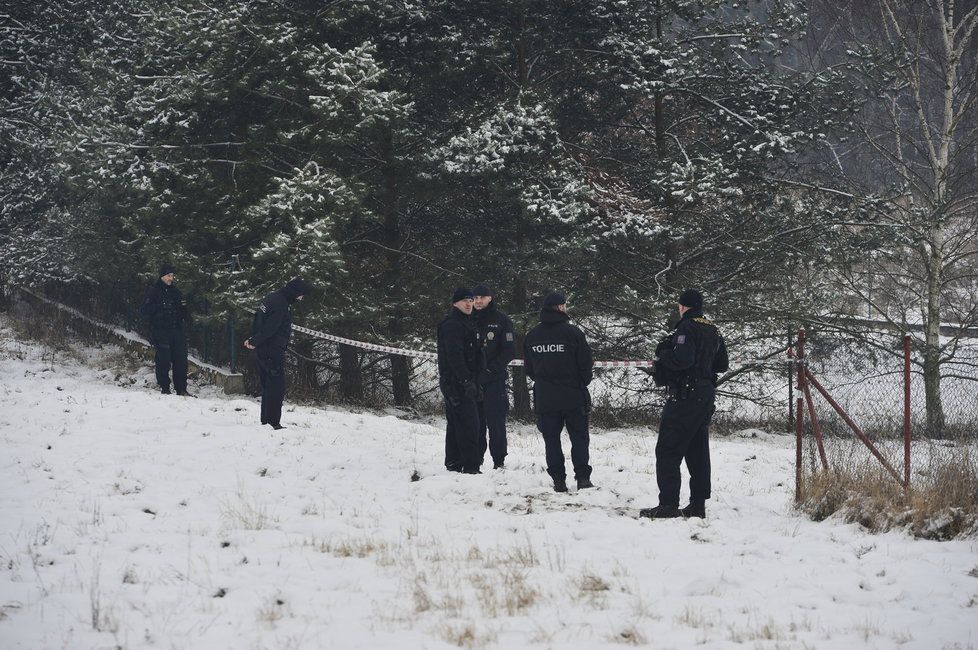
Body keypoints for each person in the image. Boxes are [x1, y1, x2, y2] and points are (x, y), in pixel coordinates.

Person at [640, 289, 729, 520]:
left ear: (683, 306)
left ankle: (668, 504)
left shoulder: (686, 327)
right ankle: (697, 505)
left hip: (685, 395)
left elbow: (683, 359)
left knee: (668, 449)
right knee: (697, 450)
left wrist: (664, 355)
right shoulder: (713, 328)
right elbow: (722, 364)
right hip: (705, 394)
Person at [523, 291, 595, 492]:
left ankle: (558, 480)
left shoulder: (532, 335)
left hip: (546, 396)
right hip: (573, 394)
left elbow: (529, 369)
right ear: (560, 307)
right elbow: (585, 363)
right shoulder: (573, 333)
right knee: (579, 438)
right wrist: (582, 382)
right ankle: (582, 478)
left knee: (551, 440)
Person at [243, 277, 313, 430]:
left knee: (267, 386)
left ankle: (266, 421)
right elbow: (270, 327)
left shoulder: (271, 298)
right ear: (295, 292)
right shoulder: (281, 305)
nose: (302, 298)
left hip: (263, 349)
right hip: (272, 350)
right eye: (301, 294)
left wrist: (253, 339)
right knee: (276, 387)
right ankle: (274, 423)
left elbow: (258, 320)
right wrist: (254, 341)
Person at [436, 287, 484, 474]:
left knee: (458, 423)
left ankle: (454, 463)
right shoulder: (452, 324)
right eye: (465, 301)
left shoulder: (468, 322)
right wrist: (465, 380)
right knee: (470, 424)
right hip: (456, 383)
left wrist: (476, 378)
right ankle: (470, 466)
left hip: (468, 380)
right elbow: (454, 356)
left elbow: (476, 353)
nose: (469, 304)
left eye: (471, 301)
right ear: (455, 303)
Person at [473, 283, 516, 469]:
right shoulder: (468, 319)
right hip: (473, 381)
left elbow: (509, 351)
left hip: (495, 381)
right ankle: (475, 459)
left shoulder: (502, 320)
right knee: (475, 423)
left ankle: (499, 461)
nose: (478, 301)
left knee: (496, 423)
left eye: (482, 297)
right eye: (475, 298)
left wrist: (491, 371)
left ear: (490, 298)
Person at [139, 263, 191, 396]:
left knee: (181, 361)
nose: (171, 278)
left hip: (176, 330)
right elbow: (144, 310)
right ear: (162, 276)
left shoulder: (176, 292)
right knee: (164, 360)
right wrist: (160, 307)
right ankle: (165, 387)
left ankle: (181, 389)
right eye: (168, 275)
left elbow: (183, 309)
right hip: (161, 331)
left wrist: (186, 316)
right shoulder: (154, 291)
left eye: (172, 275)